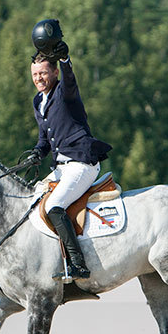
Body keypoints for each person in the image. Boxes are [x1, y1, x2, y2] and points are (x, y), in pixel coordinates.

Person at [26, 19, 112, 281]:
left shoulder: (65, 91)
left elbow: (70, 80)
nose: (39, 79)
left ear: (53, 73)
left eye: (43, 73)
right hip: (62, 168)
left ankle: (77, 264)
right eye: (35, 75)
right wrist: (36, 153)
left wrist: (65, 61)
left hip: (81, 164)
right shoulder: (38, 101)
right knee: (33, 199)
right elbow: (44, 140)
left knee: (54, 206)